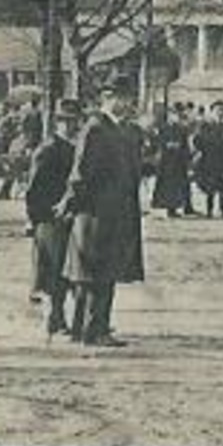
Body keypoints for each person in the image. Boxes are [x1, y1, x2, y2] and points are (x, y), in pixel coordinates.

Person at [58, 77, 145, 347]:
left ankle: (90, 327)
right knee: (95, 272)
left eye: (129, 98)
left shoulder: (121, 130)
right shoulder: (96, 129)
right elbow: (81, 172)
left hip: (113, 213)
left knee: (101, 271)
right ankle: (93, 330)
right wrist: (70, 202)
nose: (128, 103)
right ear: (108, 99)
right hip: (96, 213)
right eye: (123, 98)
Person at [24, 98, 81, 337]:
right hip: (49, 218)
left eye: (73, 122)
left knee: (65, 271)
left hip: (68, 217)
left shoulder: (75, 148)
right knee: (52, 269)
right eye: (65, 121)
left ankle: (59, 318)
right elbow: (33, 190)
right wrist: (37, 218)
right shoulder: (47, 150)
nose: (69, 126)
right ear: (57, 123)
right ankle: (53, 317)